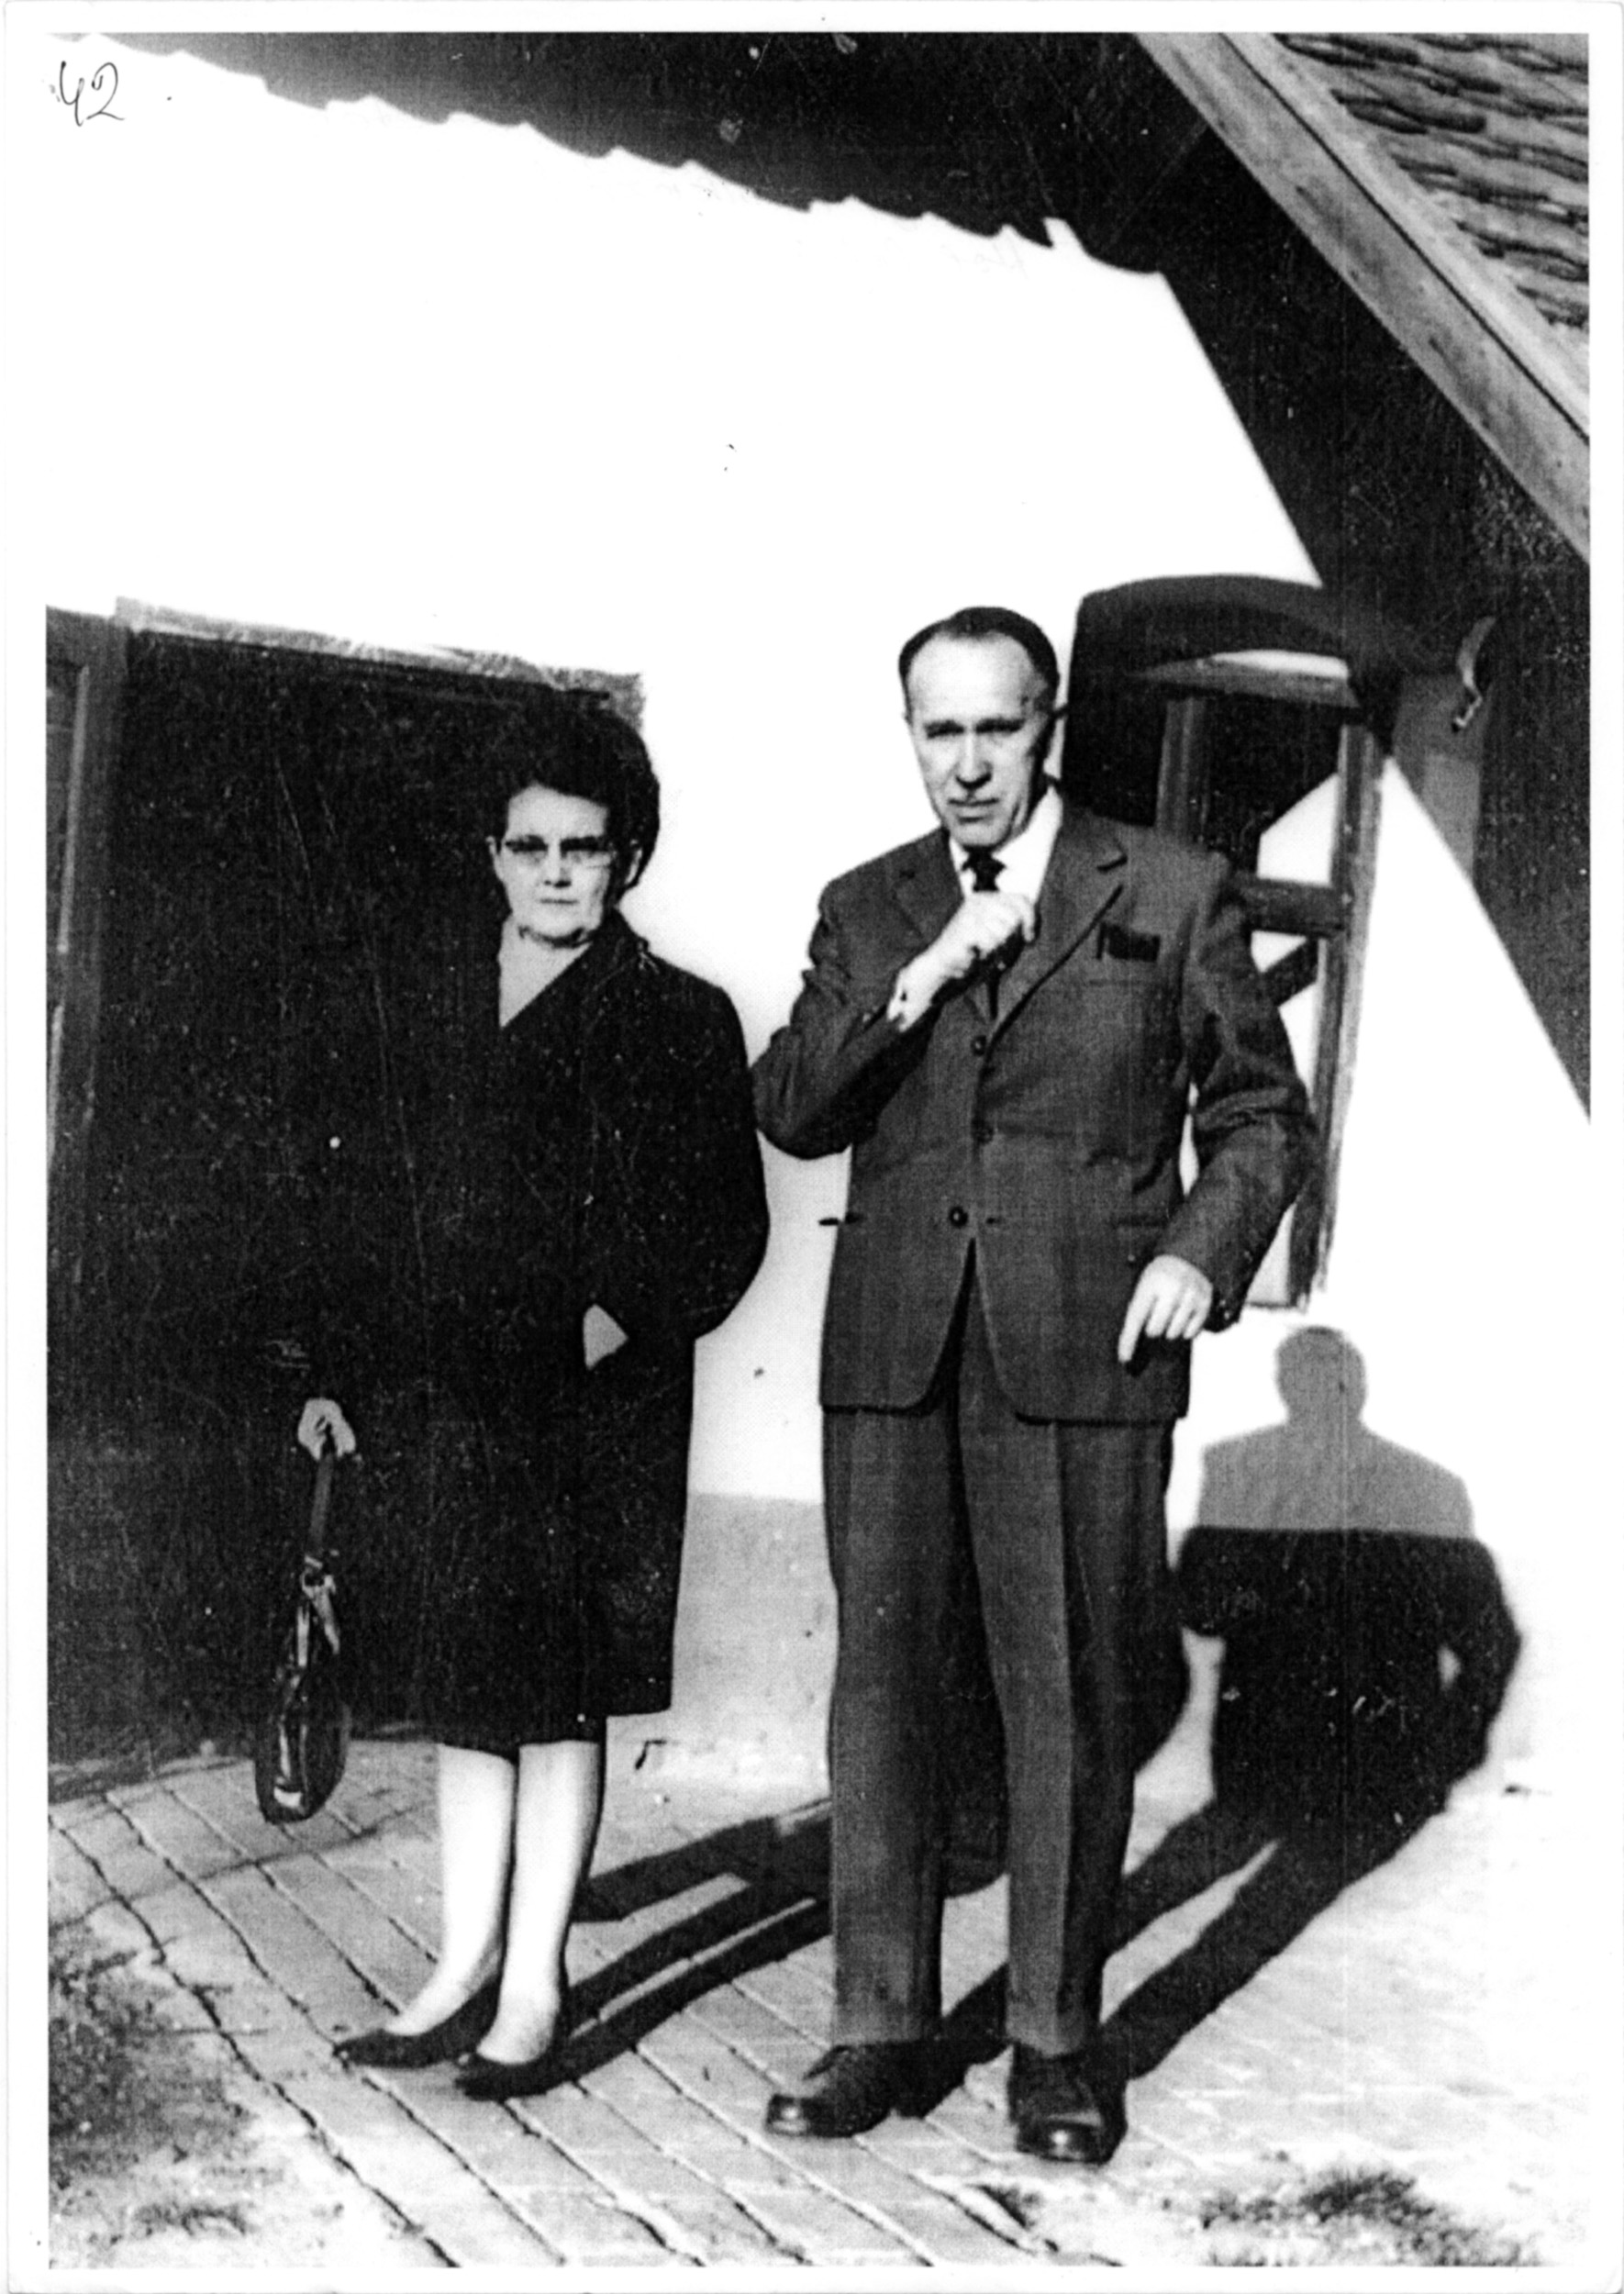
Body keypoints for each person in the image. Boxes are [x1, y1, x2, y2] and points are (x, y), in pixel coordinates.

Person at [752, 605, 1312, 2162]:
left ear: (1048, 724)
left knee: (1064, 1698)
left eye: (995, 728)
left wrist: (1200, 1251)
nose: (967, 763)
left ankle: (1055, 2044)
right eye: (938, 731)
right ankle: (877, 2024)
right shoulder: (870, 905)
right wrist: (925, 972)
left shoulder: (1170, 887)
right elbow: (793, 1108)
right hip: (895, 1353)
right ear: (910, 736)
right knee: (881, 1696)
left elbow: (1262, 1116)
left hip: (1085, 1357)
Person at [298, 691, 767, 2099]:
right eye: (531, 846)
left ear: (630, 857)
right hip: (450, 1396)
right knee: (465, 1686)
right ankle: (457, 1968)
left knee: (557, 1696)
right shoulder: (428, 1001)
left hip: (588, 1409)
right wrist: (340, 1371)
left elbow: (720, 1228)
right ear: (492, 855)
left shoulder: (677, 1017)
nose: (557, 872)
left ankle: (535, 1985)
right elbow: (368, 1202)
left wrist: (607, 1321)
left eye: (586, 847)